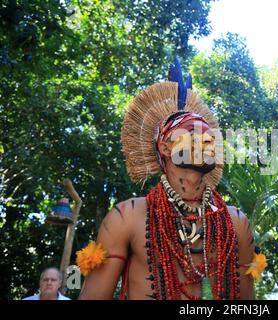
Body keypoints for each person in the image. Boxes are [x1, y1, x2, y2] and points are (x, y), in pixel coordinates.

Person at [76, 59, 262, 300]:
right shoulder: (126, 217)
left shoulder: (236, 222)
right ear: (165, 147)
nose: (207, 140)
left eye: (209, 137)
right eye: (192, 132)